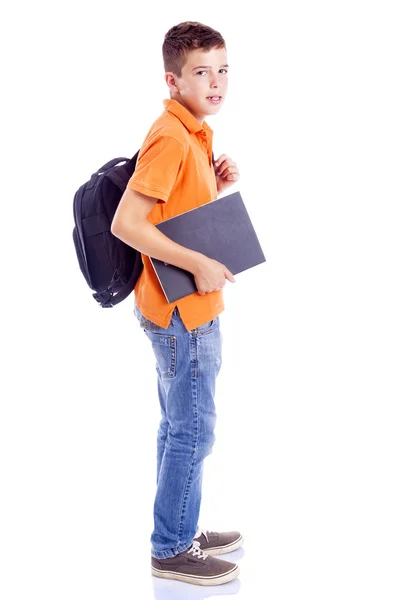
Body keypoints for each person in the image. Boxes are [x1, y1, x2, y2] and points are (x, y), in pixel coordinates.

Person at [111, 21, 243, 586]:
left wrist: (211, 182)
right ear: (173, 80)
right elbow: (127, 224)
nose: (215, 82)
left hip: (186, 307)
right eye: (201, 72)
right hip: (179, 312)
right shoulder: (171, 133)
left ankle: (178, 527)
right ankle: (170, 548)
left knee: (179, 427)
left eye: (223, 69)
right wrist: (196, 264)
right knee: (193, 430)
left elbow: (171, 210)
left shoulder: (194, 132)